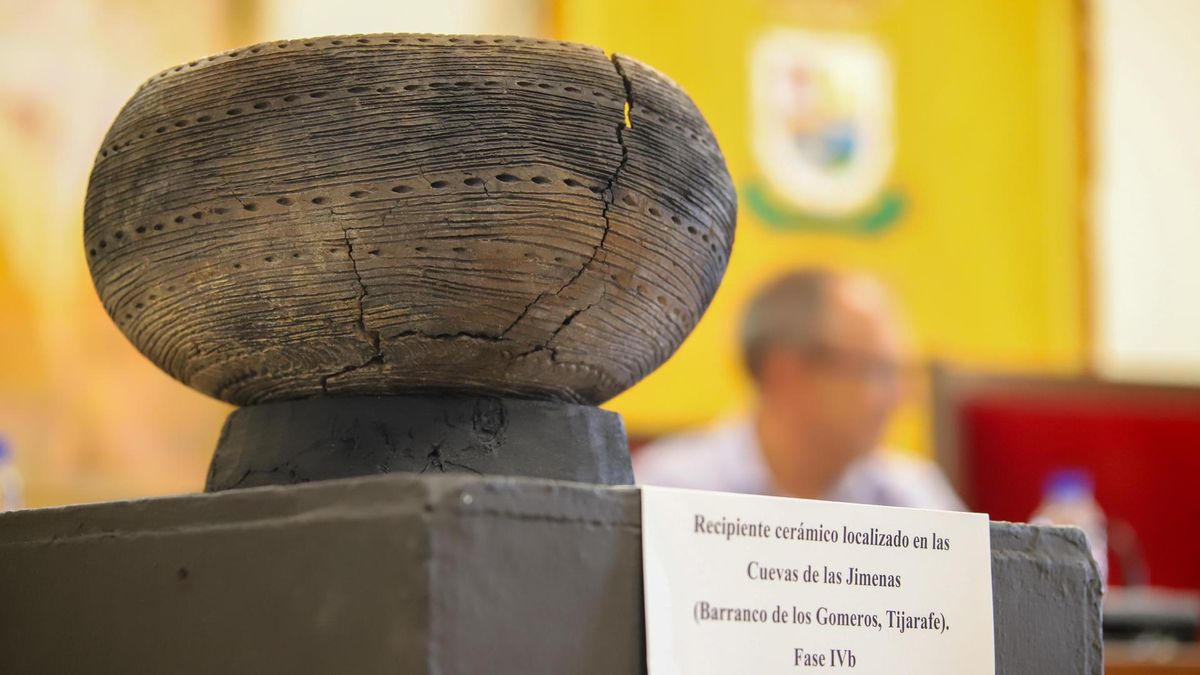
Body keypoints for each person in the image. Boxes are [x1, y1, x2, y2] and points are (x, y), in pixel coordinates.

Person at [634, 268, 963, 510]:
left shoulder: (909, 495)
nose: (903, 397)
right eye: (877, 371)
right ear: (786, 373)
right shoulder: (667, 492)